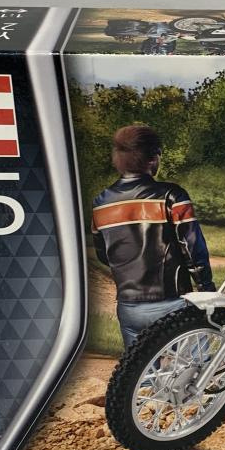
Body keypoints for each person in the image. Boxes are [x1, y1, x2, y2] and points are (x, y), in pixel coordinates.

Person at [92, 125, 214, 348]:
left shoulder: (101, 203)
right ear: (152, 158)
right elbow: (192, 247)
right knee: (196, 366)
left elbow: (104, 255)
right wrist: (206, 287)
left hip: (128, 307)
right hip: (172, 302)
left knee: (139, 368)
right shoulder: (171, 196)